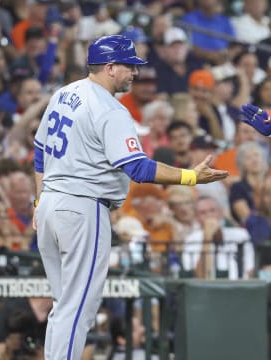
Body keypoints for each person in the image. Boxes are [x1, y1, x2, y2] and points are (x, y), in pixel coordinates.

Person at [33, 34, 228, 360]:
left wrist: (40, 201)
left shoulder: (64, 93)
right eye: (129, 66)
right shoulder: (110, 109)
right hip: (83, 207)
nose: (135, 73)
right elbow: (137, 168)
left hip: (52, 203)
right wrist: (190, 176)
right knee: (77, 306)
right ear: (110, 67)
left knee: (65, 304)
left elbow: (39, 151)